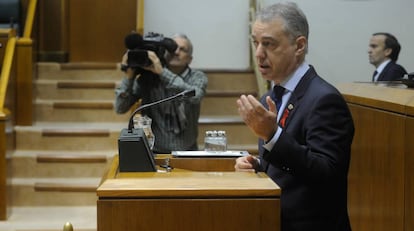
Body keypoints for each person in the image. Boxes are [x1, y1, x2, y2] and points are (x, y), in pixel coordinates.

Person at [234, 2, 355, 231]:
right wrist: (258, 165)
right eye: (256, 42)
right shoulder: (270, 96)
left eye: (268, 44)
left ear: (299, 46)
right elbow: (290, 165)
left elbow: (327, 173)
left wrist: (272, 136)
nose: (259, 53)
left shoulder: (325, 99)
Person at [115, 33, 208, 153]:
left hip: (188, 151)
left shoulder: (197, 77)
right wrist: (129, 77)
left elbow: (196, 96)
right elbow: (120, 108)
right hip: (155, 152)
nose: (176, 52)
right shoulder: (148, 78)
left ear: (189, 59)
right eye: (173, 48)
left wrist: (162, 73)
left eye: (182, 49)